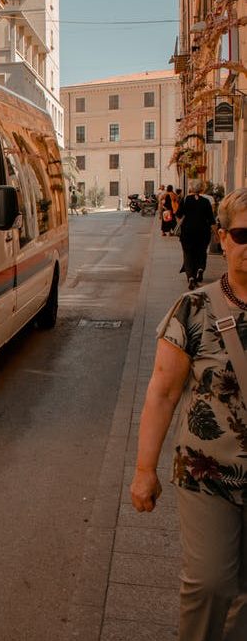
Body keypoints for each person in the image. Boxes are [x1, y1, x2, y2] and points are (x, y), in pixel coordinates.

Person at [130, 187, 247, 641]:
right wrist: (145, 471)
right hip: (209, 474)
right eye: (242, 234)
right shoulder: (193, 309)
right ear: (222, 237)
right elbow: (161, 393)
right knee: (211, 583)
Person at [177, 182, 216, 289]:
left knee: (188, 253)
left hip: (187, 232)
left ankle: (190, 277)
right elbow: (211, 220)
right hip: (203, 232)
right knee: (201, 251)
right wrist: (216, 234)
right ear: (202, 189)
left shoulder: (185, 200)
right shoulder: (206, 201)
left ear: (190, 188)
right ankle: (200, 268)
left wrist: (182, 226)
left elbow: (179, 215)